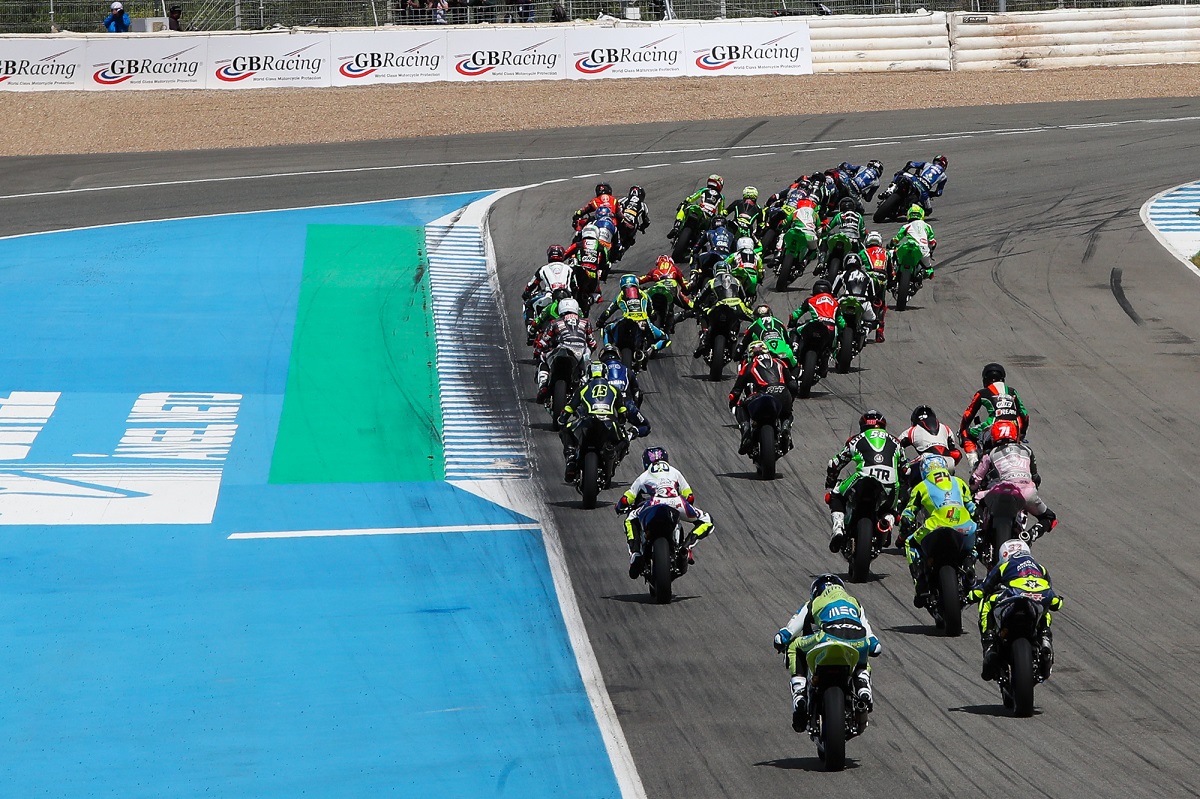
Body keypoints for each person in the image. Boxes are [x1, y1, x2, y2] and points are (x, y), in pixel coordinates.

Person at [773, 574, 881, 732]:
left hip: (828, 637)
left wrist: (780, 639)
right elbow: (870, 636)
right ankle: (863, 687)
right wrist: (873, 645)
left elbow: (790, 630)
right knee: (862, 654)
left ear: (816, 591)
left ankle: (800, 695)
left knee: (794, 646)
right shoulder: (855, 602)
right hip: (857, 638)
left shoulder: (812, 603)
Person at [965, 539, 1062, 681]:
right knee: (1046, 609)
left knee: (985, 603)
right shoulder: (1040, 567)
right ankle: (1045, 639)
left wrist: (970, 597)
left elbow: (984, 587)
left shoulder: (1003, 566)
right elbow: (1053, 598)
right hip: (1040, 594)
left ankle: (989, 644)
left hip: (1015, 595)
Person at [617, 447, 713, 576]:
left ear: (645, 462)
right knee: (707, 520)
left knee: (630, 520)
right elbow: (690, 496)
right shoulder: (675, 472)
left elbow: (626, 499)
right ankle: (686, 546)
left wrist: (619, 507)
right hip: (677, 502)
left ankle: (635, 553)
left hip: (654, 502)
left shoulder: (644, 476)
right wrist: (684, 506)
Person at [899, 459, 978, 607]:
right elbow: (973, 508)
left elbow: (908, 513)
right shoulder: (959, 482)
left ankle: (920, 582)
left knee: (910, 542)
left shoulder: (921, 487)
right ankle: (969, 566)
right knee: (973, 542)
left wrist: (905, 525)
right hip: (964, 526)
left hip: (936, 526)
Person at [825, 410, 903, 551]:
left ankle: (838, 529)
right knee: (892, 508)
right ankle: (885, 525)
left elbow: (834, 464)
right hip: (890, 484)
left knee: (835, 494)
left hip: (864, 478)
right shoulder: (896, 442)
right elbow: (906, 470)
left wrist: (831, 480)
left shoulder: (855, 439)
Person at [558, 362, 649, 482]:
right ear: (605, 374)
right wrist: (621, 422)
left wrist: (562, 420)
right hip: (609, 423)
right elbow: (622, 412)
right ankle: (613, 455)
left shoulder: (583, 388)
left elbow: (569, 408)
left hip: (587, 421)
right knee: (625, 438)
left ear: (589, 374)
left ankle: (571, 459)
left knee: (565, 430)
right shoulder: (614, 389)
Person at [970, 419, 1058, 537]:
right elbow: (1036, 478)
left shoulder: (991, 453)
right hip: (1027, 492)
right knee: (1049, 517)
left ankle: (978, 533)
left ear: (993, 437)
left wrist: (972, 490)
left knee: (976, 498)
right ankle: (1030, 536)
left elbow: (976, 479)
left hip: (1004, 491)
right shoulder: (1027, 450)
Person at [729, 342, 797, 454]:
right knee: (787, 413)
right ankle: (785, 429)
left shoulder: (748, 366)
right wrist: (790, 400)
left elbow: (736, 391)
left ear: (750, 355)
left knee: (740, 406)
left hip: (762, 394)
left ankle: (746, 434)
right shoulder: (780, 362)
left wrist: (732, 402)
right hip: (783, 393)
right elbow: (793, 385)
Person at [959, 362, 1030, 462]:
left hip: (993, 426)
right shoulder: (1012, 391)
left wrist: (962, 428)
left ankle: (974, 463)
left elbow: (968, 415)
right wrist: (1022, 433)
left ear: (985, 379)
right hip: (1013, 428)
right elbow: (1024, 415)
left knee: (966, 433)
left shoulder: (982, 393)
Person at [533, 298, 595, 402]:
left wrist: (537, 351)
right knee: (587, 362)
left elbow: (543, 341)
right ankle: (586, 386)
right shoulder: (586, 322)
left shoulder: (555, 322)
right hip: (580, 352)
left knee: (543, 358)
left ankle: (543, 385)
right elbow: (593, 343)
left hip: (561, 348)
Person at [596, 274, 670, 354]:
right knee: (665, 338)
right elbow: (652, 314)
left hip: (626, 320)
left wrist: (600, 321)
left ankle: (608, 349)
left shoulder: (620, 296)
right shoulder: (645, 295)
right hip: (644, 321)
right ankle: (652, 349)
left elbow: (607, 312)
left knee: (606, 329)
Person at [691, 263, 753, 358]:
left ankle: (704, 339)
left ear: (715, 271)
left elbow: (700, 298)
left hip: (720, 306)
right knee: (758, 321)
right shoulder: (736, 281)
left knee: (703, 314)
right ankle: (751, 345)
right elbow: (744, 298)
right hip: (738, 306)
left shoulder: (712, 281)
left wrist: (696, 306)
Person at [522, 244, 576, 328]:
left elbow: (532, 284)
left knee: (528, 304)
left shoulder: (543, 269)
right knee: (581, 315)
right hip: (569, 300)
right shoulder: (569, 269)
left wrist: (527, 292)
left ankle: (530, 328)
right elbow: (575, 286)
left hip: (549, 297)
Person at [831, 253, 879, 339]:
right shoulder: (867, 276)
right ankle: (865, 331)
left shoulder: (842, 274)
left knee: (831, 317)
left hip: (845, 300)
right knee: (873, 321)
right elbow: (873, 296)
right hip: (863, 302)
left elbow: (833, 292)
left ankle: (833, 333)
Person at [736, 303, 796, 369]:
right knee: (796, 367)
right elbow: (788, 340)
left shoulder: (752, 326)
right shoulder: (779, 322)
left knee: (747, 364)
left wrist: (737, 355)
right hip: (785, 354)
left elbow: (743, 344)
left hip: (766, 357)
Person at [670, 175, 726, 239]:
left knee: (683, 206)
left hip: (700, 210)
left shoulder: (704, 190)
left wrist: (685, 202)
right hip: (710, 217)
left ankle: (676, 227)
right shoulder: (721, 197)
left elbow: (691, 198)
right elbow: (720, 213)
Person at [889, 204, 937, 279]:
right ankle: (922, 275)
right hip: (923, 250)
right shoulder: (927, 226)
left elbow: (896, 239)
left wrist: (890, 245)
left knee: (893, 254)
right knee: (930, 271)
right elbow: (932, 242)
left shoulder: (906, 226)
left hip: (908, 247)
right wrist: (931, 251)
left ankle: (894, 273)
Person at [821, 196, 866, 275]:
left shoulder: (839, 215)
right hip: (854, 240)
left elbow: (828, 228)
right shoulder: (859, 216)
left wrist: (821, 233)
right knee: (864, 253)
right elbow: (863, 232)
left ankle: (821, 261)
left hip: (841, 237)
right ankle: (861, 272)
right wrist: (862, 240)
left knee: (824, 239)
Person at [862, 230, 889, 342]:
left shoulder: (863, 252)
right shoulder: (886, 253)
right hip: (882, 279)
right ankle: (879, 333)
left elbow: (855, 265)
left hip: (869, 277)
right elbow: (891, 270)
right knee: (882, 304)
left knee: (860, 297)